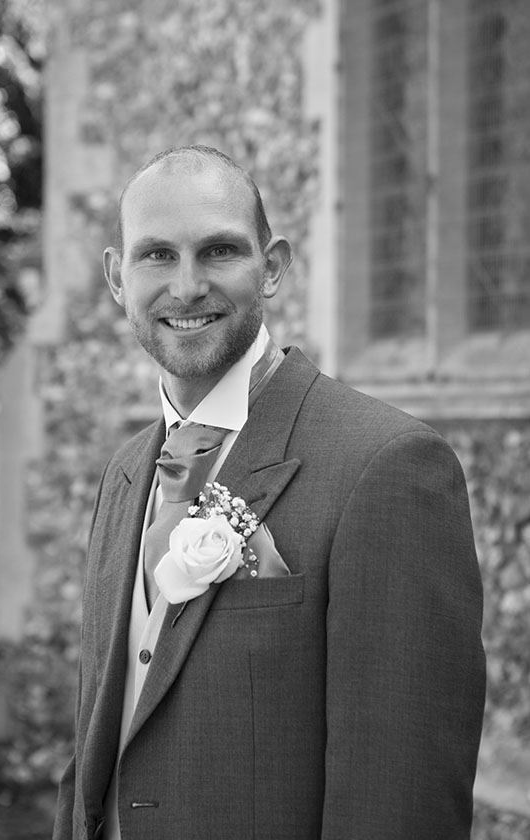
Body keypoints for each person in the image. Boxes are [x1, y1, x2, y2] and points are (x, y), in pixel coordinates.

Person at [53, 145, 485, 840]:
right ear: (116, 277)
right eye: (156, 255)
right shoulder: (127, 473)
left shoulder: (388, 465)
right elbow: (97, 742)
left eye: (219, 251)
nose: (187, 287)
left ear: (273, 266)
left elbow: (399, 800)